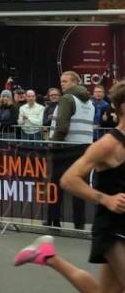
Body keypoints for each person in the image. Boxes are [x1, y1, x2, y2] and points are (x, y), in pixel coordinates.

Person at [14, 80, 125, 293]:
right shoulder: (108, 145)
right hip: (112, 228)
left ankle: (47, 256)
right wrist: (105, 198)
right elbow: (68, 179)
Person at [45, 70, 95, 230]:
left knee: (56, 184)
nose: (62, 84)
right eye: (62, 81)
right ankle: (79, 223)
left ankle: (54, 220)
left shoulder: (67, 99)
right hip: (84, 149)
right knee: (78, 187)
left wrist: (53, 146)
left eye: (65, 81)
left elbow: (62, 127)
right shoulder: (89, 102)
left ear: (75, 82)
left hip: (66, 149)